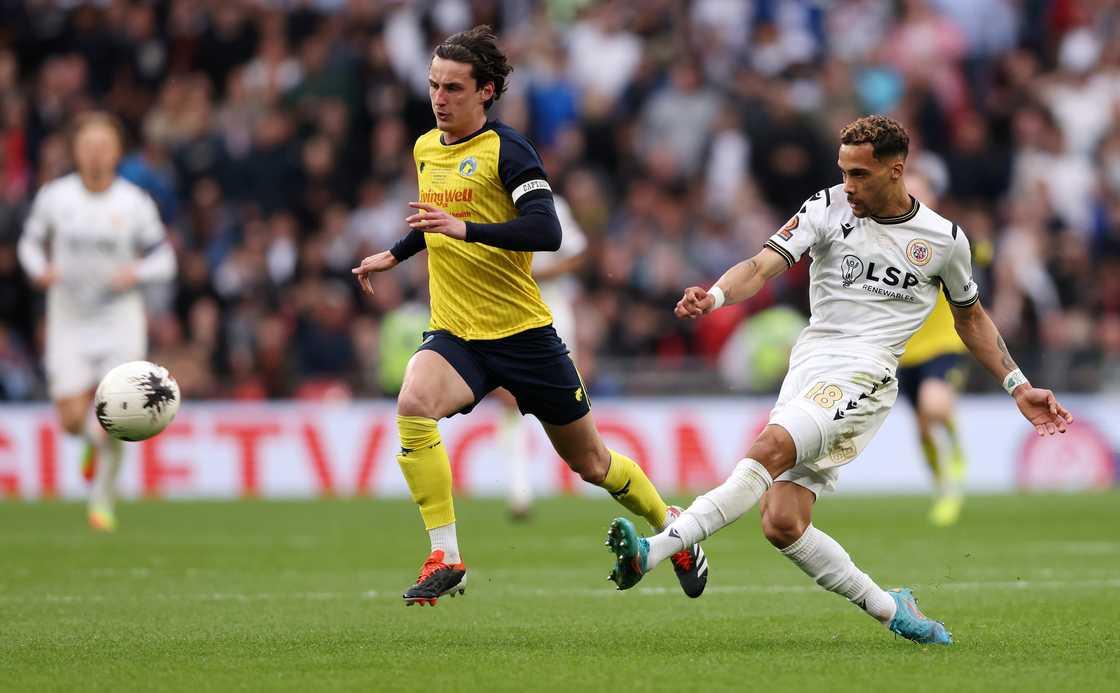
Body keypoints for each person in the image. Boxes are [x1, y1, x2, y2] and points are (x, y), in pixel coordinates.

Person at [602, 115, 1072, 645]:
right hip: (810, 364)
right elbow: (761, 266)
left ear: (896, 171)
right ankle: (890, 607)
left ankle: (657, 548)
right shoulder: (826, 208)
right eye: (842, 172)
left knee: (770, 446)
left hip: (867, 374)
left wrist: (1017, 384)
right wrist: (713, 296)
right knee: (782, 522)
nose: (847, 185)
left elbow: (971, 317)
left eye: (859, 175)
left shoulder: (944, 240)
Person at [351, 26, 706, 606]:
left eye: (454, 88)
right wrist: (394, 254)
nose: (439, 98)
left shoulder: (507, 150)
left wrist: (463, 230)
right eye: (434, 86)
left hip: (523, 336)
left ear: (486, 91)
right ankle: (447, 554)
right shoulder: (425, 148)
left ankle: (679, 529)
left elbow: (548, 229)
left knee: (592, 464)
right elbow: (436, 221)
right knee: (413, 404)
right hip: (458, 332)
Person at [18, 111, 177, 531]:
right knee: (73, 421)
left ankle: (102, 501)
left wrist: (136, 273)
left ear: (117, 152)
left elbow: (164, 258)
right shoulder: (56, 197)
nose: (95, 154)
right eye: (88, 146)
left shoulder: (133, 203)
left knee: (117, 416)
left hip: (119, 319)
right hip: (68, 318)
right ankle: (90, 438)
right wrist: (38, 269)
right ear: (75, 150)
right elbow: (30, 244)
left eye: (104, 146)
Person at [497, 194, 588, 521]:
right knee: (510, 402)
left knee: (568, 398)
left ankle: (584, 472)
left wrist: (539, 274)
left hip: (551, 308)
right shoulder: (488, 202)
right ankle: (518, 490)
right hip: (508, 310)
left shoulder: (553, 204)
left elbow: (578, 254)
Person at [898, 172, 969, 527]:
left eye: (919, 192)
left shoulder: (946, 238)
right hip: (904, 352)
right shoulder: (885, 241)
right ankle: (943, 488)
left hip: (943, 344)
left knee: (934, 404)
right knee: (922, 427)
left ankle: (953, 440)